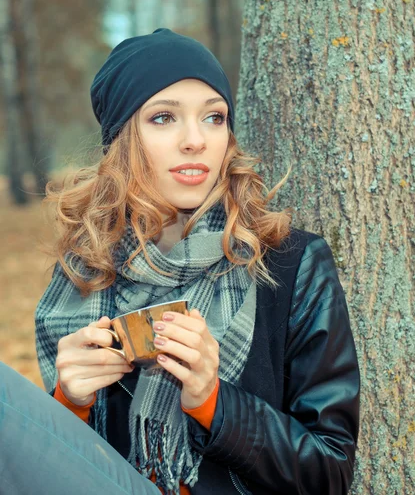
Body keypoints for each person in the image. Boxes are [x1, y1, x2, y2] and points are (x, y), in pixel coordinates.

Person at [0, 28, 360, 495]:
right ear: (123, 139)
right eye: (165, 117)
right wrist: (69, 404)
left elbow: (330, 474)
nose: (195, 140)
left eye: (214, 117)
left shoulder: (290, 264)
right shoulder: (86, 270)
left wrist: (214, 401)